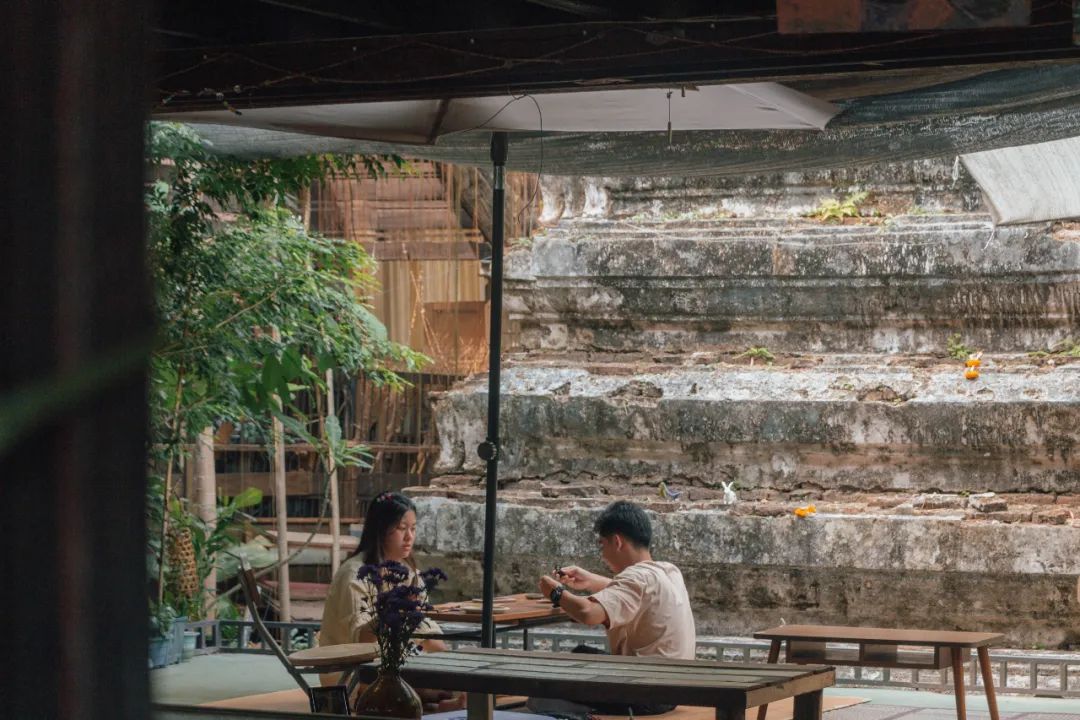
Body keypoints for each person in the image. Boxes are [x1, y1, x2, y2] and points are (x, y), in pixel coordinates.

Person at [533, 500, 697, 716]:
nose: (602, 553)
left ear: (617, 541)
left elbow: (587, 613)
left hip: (646, 695)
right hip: (674, 691)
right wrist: (591, 581)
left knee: (543, 691)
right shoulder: (668, 571)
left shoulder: (636, 577)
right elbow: (638, 594)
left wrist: (555, 592)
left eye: (602, 544)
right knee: (581, 654)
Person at [318, 491, 459, 711]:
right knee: (436, 691)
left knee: (453, 675)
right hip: (352, 670)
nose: (409, 537)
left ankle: (438, 699)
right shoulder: (354, 575)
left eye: (413, 528)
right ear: (381, 529)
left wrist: (446, 663)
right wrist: (395, 612)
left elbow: (424, 631)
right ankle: (438, 703)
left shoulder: (409, 571)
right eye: (402, 529)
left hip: (396, 662)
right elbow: (361, 639)